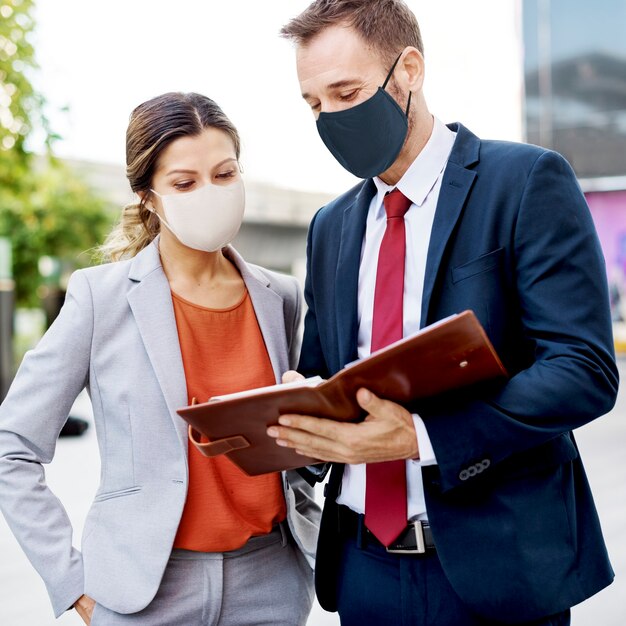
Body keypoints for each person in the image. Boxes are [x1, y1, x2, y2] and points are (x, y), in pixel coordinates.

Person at [267, 2, 619, 625]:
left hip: (499, 570)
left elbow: (582, 367)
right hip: (363, 571)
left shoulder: (526, 182)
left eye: (346, 92)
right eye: (314, 104)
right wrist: (305, 415)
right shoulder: (330, 228)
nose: (329, 119)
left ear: (408, 70)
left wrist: (422, 438)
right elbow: (326, 375)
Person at [0, 92, 319, 625]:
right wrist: (72, 583)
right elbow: (12, 446)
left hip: (270, 586)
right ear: (148, 196)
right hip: (144, 595)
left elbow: (295, 448)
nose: (211, 193)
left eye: (224, 174)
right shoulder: (99, 299)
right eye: (184, 183)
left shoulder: (280, 297)